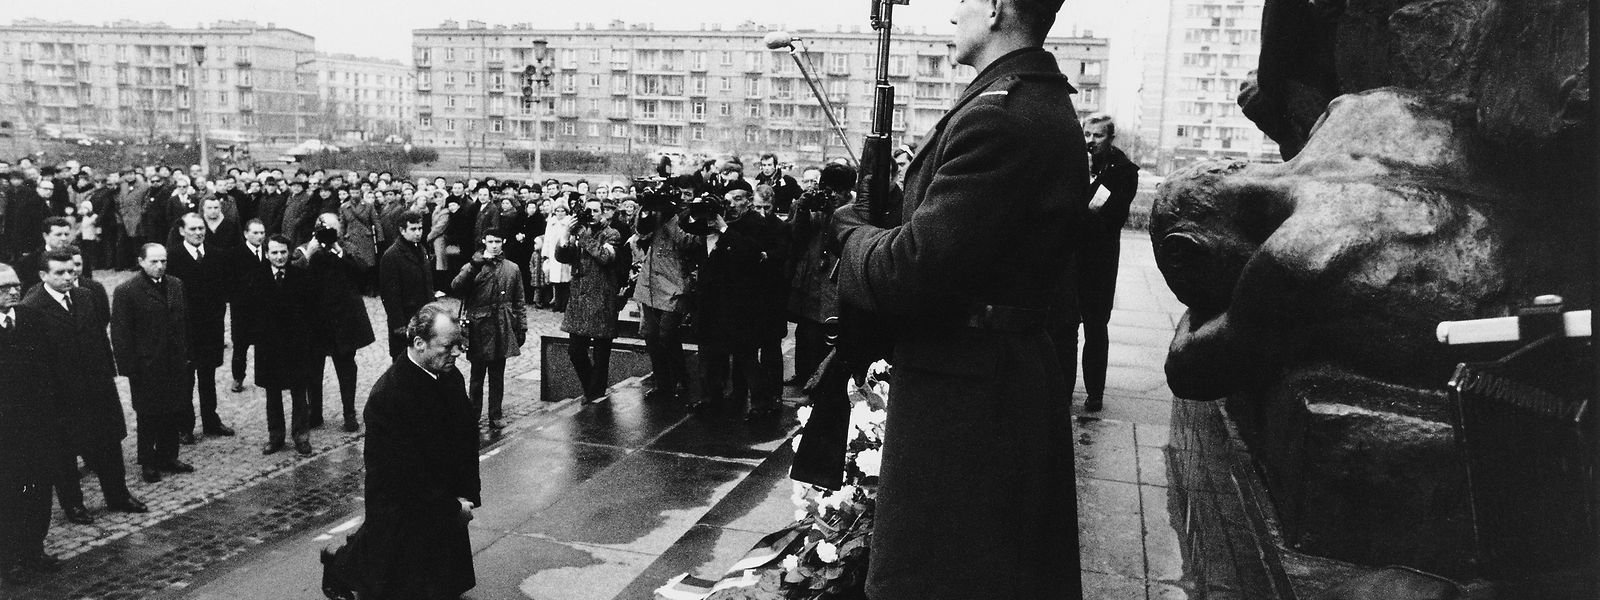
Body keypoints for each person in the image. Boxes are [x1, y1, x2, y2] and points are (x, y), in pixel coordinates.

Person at [828, 0, 1088, 596]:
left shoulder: (1001, 115)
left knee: (938, 577)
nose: (953, 15)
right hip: (984, 378)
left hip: (968, 396)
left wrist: (854, 238)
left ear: (996, 8)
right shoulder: (1019, 102)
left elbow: (913, 271)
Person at [321, 303, 480, 600]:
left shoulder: (450, 377)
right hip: (407, 509)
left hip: (441, 500)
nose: (457, 353)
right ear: (419, 343)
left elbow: (465, 439)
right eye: (447, 346)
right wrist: (452, 507)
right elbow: (404, 474)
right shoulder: (389, 397)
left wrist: (466, 495)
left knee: (442, 583)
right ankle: (340, 569)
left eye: (458, 344)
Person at [24, 249, 148, 524]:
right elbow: (35, 361)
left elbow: (100, 339)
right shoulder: (32, 307)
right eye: (60, 273)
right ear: (43, 275)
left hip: (97, 388)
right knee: (65, 454)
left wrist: (108, 375)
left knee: (108, 445)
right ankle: (74, 505)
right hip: (62, 396)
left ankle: (118, 495)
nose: (68, 277)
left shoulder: (85, 296)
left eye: (71, 271)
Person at [112, 244, 197, 484]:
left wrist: (188, 354)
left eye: (163, 261)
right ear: (141, 261)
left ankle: (169, 456)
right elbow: (120, 334)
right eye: (154, 262)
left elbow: (185, 322)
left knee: (173, 409)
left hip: (175, 363)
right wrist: (130, 368)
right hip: (146, 366)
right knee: (149, 415)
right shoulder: (127, 291)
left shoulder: (176, 285)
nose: (160, 266)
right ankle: (148, 461)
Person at [0, 263, 62, 584]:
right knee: (7, 495)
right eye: (4, 287)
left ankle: (34, 549)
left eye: (16, 285)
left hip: (37, 429)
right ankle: (8, 558)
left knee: (38, 492)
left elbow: (49, 371)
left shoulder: (31, 319)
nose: (13, 291)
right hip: (5, 435)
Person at [1074, 114, 1139, 412]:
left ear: (1111, 138)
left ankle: (1095, 392)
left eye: (1097, 135)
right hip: (1070, 260)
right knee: (1065, 327)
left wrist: (1079, 214)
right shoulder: (1073, 165)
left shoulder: (1124, 171)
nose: (1090, 140)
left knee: (1096, 328)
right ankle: (1063, 388)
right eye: (1087, 133)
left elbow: (1111, 217)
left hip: (1099, 262)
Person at [692, 191, 772, 414]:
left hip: (739, 302)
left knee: (746, 355)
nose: (732, 205)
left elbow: (750, 252)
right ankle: (711, 398)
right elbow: (683, 224)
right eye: (728, 201)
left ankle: (760, 404)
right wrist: (698, 207)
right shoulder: (704, 226)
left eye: (737, 200)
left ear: (748, 202)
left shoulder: (754, 223)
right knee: (711, 354)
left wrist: (724, 228)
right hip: (711, 301)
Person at [300, 214, 377, 432]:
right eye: (327, 228)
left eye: (335, 228)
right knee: (313, 370)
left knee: (346, 368)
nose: (332, 232)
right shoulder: (308, 249)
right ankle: (315, 412)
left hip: (344, 319)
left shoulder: (347, 248)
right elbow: (297, 277)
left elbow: (363, 272)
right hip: (317, 320)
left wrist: (339, 252)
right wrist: (310, 253)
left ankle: (349, 413)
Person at [243, 235, 317, 455]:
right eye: (274, 253)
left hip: (296, 345)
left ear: (289, 252)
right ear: (266, 254)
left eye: (283, 252)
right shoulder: (257, 278)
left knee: (299, 392)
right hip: (269, 347)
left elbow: (311, 312)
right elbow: (249, 313)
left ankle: (301, 436)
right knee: (273, 394)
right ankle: (275, 436)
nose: (279, 257)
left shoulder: (301, 277)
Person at [166, 212, 235, 441]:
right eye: (193, 229)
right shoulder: (172, 258)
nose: (198, 233)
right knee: (186, 379)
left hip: (210, 328)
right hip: (185, 330)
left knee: (208, 377)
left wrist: (218, 318)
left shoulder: (216, 255)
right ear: (182, 231)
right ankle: (184, 426)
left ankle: (211, 421)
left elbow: (223, 289)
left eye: (201, 228)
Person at [630, 188, 703, 402]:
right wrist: (646, 208)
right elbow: (641, 230)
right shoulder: (657, 213)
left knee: (667, 333)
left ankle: (681, 378)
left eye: (687, 194)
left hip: (676, 282)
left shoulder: (689, 216)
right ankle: (662, 383)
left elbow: (688, 242)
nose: (684, 199)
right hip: (651, 282)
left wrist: (670, 216)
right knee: (651, 336)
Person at [451, 229, 526, 428]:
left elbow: (519, 300)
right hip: (478, 327)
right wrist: (474, 267)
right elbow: (456, 287)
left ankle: (496, 414)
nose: (494, 245)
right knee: (477, 374)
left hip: (502, 325)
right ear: (484, 241)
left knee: (497, 374)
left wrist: (522, 327)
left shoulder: (512, 268)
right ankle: (473, 414)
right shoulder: (474, 265)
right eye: (491, 241)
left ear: (504, 242)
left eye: (498, 241)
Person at [557, 200, 625, 404]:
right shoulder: (580, 232)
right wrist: (566, 235)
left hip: (602, 299)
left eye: (596, 211)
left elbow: (605, 258)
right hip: (579, 299)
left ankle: (595, 394)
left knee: (601, 353)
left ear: (604, 213)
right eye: (589, 211)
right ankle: (591, 389)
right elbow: (562, 257)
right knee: (575, 351)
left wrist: (584, 237)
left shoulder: (612, 234)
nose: (592, 214)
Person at [380, 212, 434, 359]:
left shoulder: (421, 249)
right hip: (406, 318)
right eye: (413, 229)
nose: (418, 233)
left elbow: (428, 282)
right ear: (402, 230)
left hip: (423, 314)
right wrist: (398, 324)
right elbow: (389, 294)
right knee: (403, 361)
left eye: (420, 228)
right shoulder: (392, 255)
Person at [229, 219, 270, 392]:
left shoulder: (269, 252)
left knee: (267, 341)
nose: (259, 236)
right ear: (246, 234)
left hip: (264, 307)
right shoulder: (236, 253)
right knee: (240, 345)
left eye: (262, 233)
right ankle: (238, 377)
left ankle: (268, 375)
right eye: (255, 233)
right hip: (243, 309)